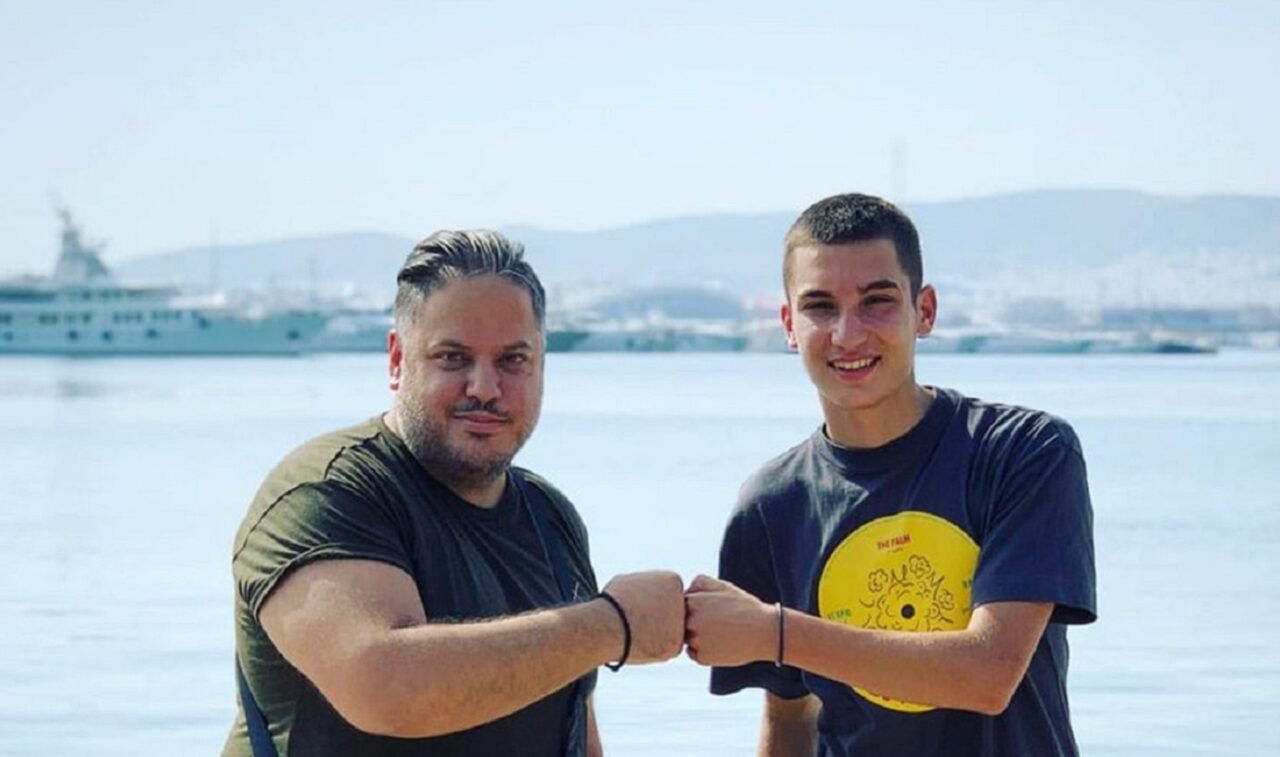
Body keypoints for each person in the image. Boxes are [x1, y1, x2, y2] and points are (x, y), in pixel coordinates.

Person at [223, 230, 685, 757]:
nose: (484, 387)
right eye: (452, 357)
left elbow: (576, 734)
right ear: (397, 360)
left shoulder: (550, 518)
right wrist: (611, 625)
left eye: (512, 360)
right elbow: (385, 689)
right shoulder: (326, 492)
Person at [684, 193, 1097, 756]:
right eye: (820, 306)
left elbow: (988, 674)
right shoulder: (771, 503)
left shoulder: (1022, 451)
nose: (847, 334)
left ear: (924, 311)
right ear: (788, 325)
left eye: (876, 302)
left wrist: (772, 632)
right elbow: (788, 722)